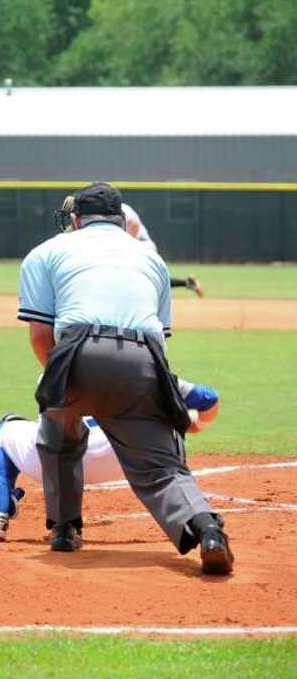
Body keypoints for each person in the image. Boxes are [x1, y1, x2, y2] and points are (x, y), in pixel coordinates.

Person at [19, 182, 232, 574]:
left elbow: (40, 336)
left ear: (77, 219)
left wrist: (62, 387)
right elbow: (159, 344)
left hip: (75, 354)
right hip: (140, 361)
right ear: (121, 219)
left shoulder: (46, 251)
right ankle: (207, 531)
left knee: (58, 434)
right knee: (160, 469)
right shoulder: (151, 260)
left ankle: (65, 529)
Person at [0, 379, 221, 541]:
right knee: (169, 430)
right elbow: (209, 398)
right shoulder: (144, 367)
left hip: (57, 462)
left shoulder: (58, 362)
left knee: (0, 431)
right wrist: (193, 425)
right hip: (130, 459)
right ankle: (192, 515)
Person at [54, 195, 204, 297]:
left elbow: (133, 223)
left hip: (142, 246)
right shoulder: (99, 215)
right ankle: (187, 283)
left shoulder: (118, 209)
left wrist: (125, 247)